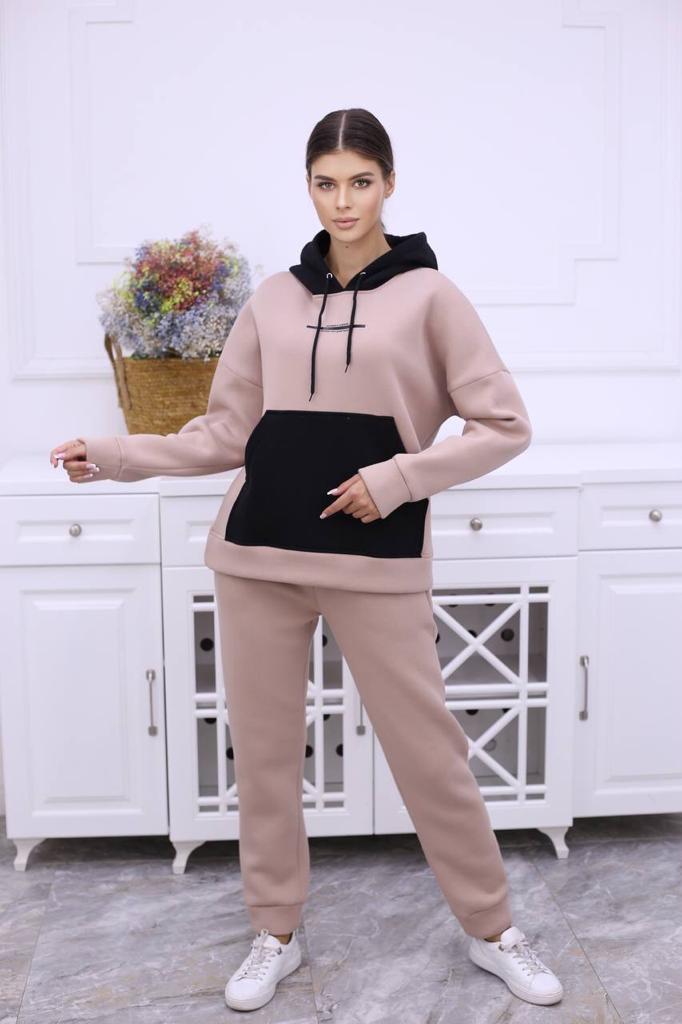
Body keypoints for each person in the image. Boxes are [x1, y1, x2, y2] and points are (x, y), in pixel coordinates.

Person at [50, 107, 564, 1012]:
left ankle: (493, 930)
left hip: (375, 560)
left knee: (431, 755)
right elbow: (225, 432)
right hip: (258, 555)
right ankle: (275, 933)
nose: (343, 201)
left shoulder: (432, 297)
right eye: (326, 184)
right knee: (265, 760)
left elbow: (504, 425)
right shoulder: (272, 299)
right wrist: (119, 454)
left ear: (389, 183)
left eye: (360, 182)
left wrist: (398, 478)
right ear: (309, 188)